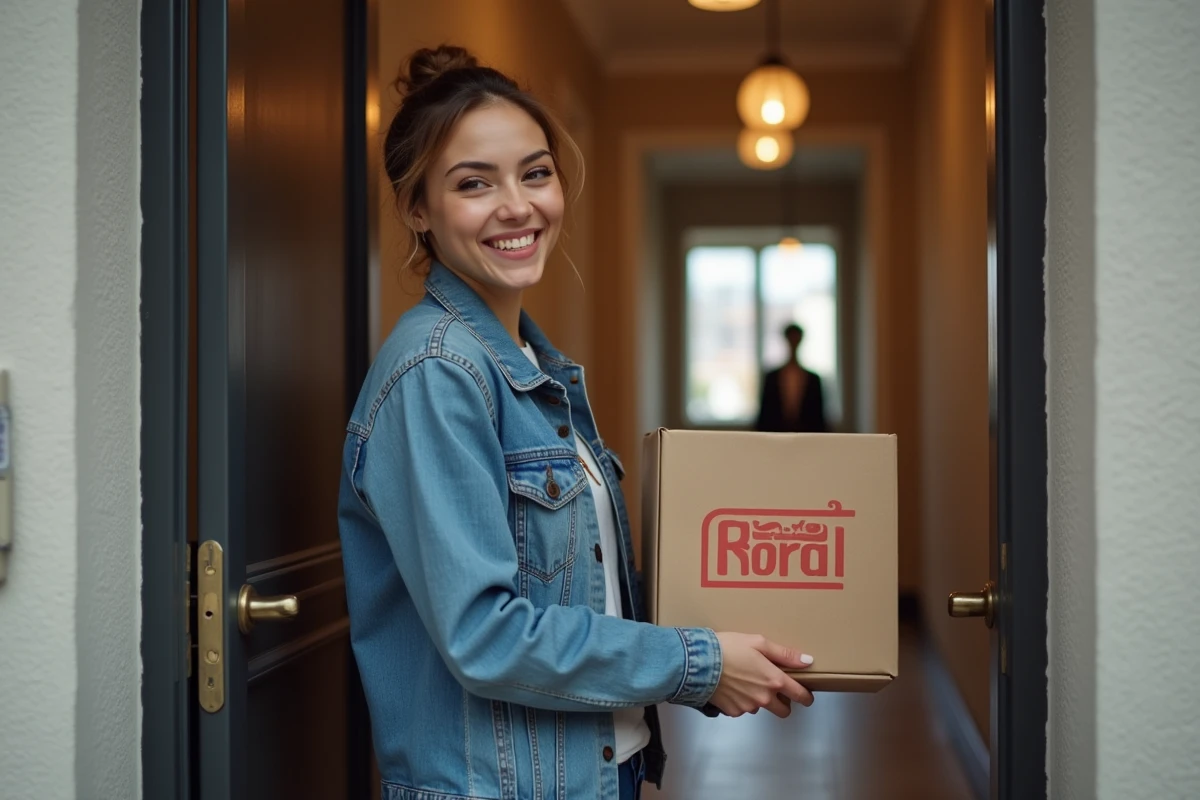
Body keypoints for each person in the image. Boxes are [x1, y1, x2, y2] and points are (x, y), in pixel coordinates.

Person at [338, 46, 815, 800]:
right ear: (415, 207)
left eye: (535, 172)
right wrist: (700, 662)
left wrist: (712, 654)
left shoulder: (534, 369)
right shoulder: (437, 372)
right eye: (474, 183)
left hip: (591, 773)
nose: (518, 206)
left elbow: (579, 595)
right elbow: (486, 636)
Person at [756, 323, 829, 433]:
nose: (793, 342)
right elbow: (765, 413)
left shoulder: (813, 379)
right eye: (791, 338)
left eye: (796, 338)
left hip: (807, 436)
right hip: (776, 436)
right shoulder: (772, 377)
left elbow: (819, 416)